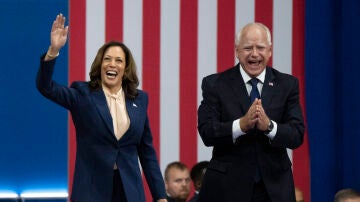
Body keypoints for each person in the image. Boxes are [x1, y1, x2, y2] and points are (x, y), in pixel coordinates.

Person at [36, 14, 167, 202]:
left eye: (119, 60)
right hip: (92, 192)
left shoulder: (139, 99)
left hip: (129, 192)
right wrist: (53, 51)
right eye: (107, 59)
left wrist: (160, 195)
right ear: (100, 65)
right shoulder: (83, 94)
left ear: (125, 68)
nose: (112, 64)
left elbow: (146, 152)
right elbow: (45, 87)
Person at [197, 22, 305, 202]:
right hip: (227, 187)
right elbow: (207, 132)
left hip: (274, 188)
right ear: (237, 51)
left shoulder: (287, 84)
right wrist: (241, 125)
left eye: (260, 48)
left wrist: (269, 126)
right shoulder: (215, 84)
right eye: (248, 48)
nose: (254, 54)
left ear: (269, 51)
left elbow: (296, 135)